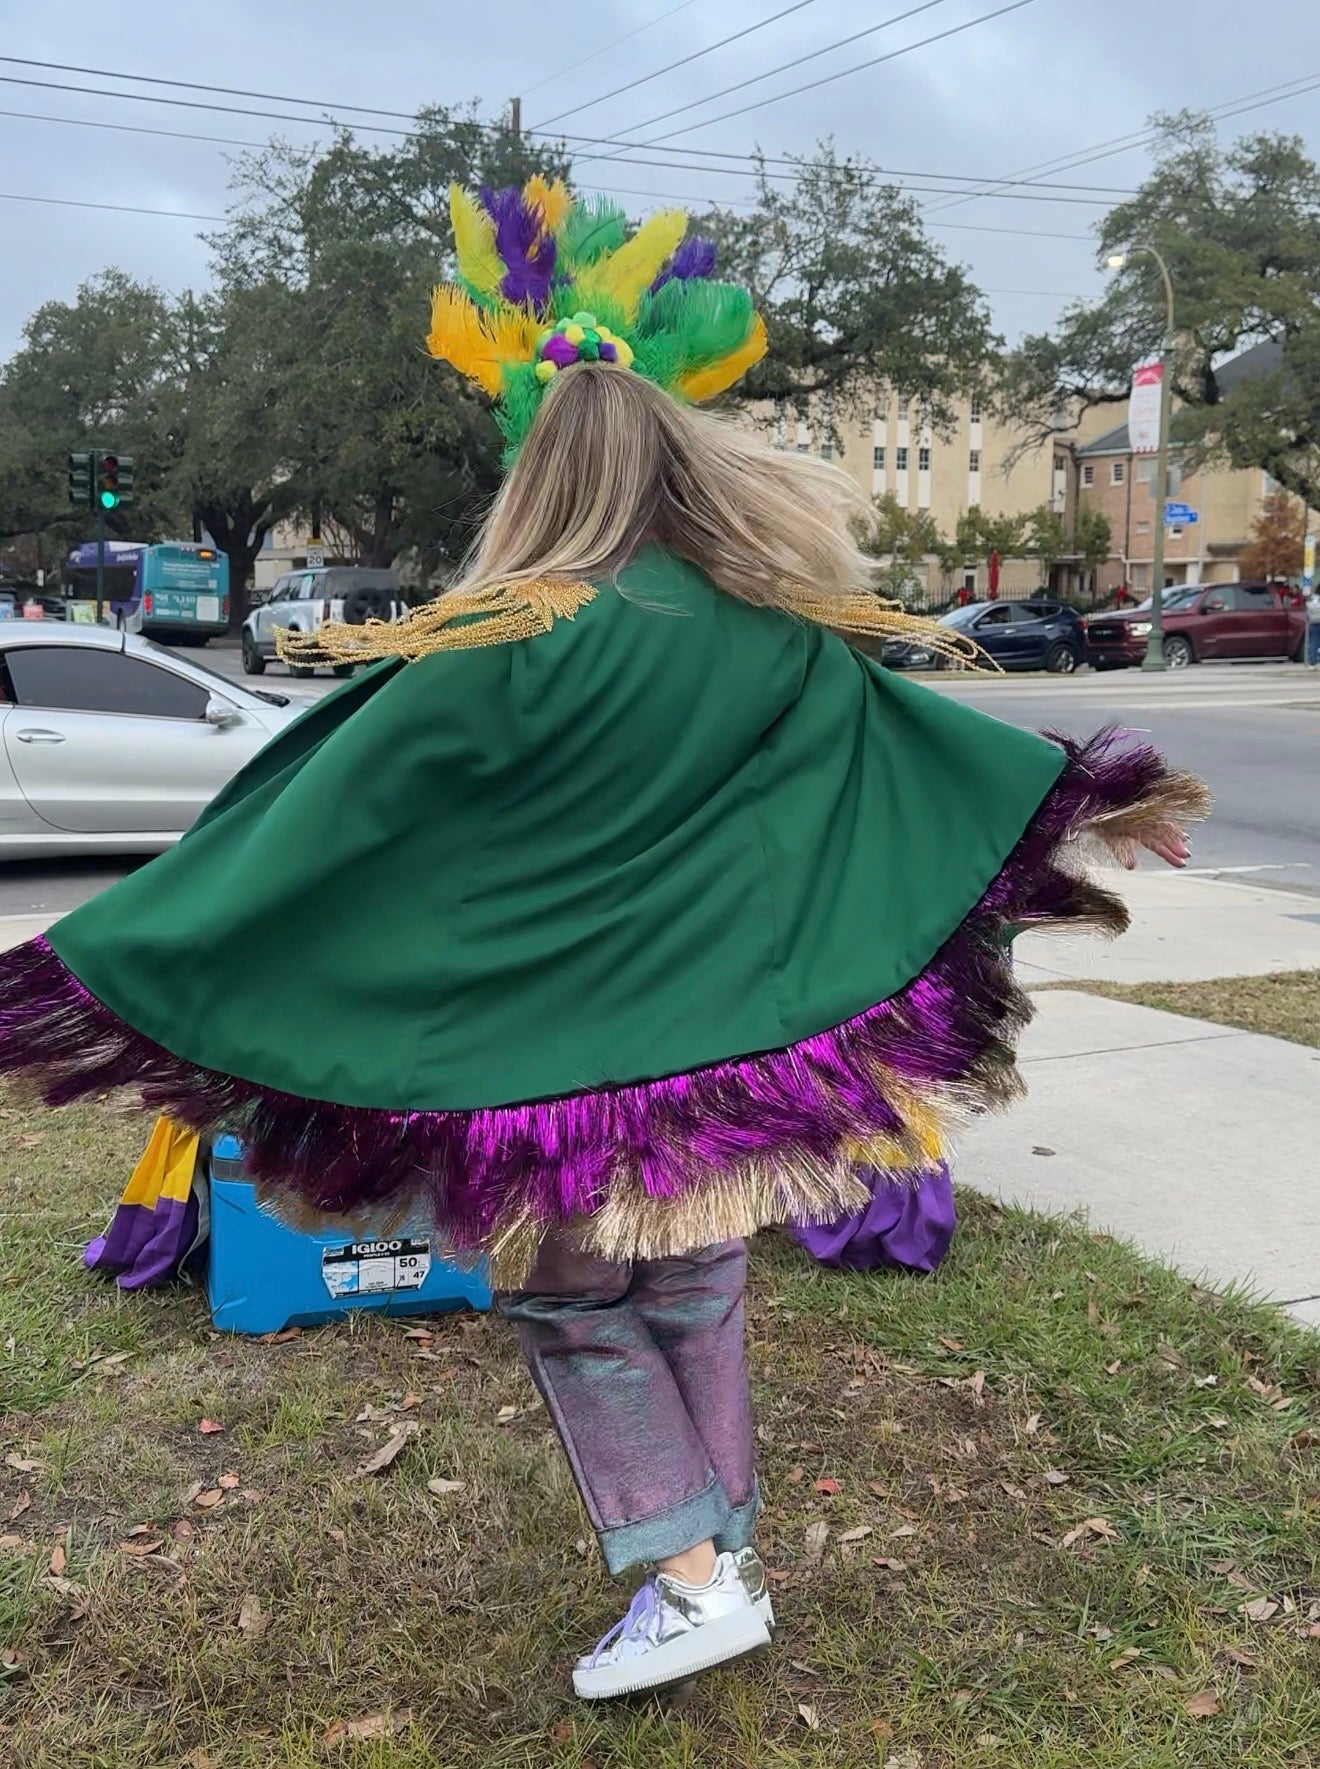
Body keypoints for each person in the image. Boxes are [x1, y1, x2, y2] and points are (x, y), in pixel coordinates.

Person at [0, 176, 1208, 1703]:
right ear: (674, 466)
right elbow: (918, 752)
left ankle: (694, 1572)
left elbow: (322, 819)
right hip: (728, 1056)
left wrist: (118, 949)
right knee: (695, 1285)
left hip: (575, 1063)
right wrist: (1092, 799)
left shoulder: (498, 642)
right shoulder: (766, 634)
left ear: (538, 475)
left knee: (577, 1299)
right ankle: (727, 1555)